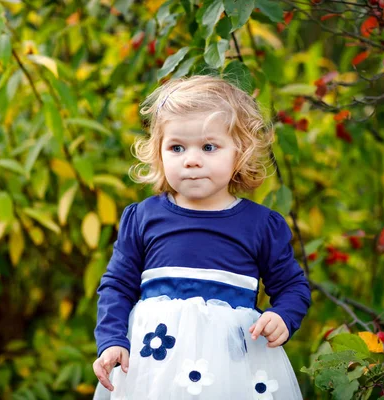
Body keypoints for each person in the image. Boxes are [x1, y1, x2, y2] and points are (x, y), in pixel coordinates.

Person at [92, 74, 312, 399]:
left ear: (240, 153)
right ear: (159, 152)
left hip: (231, 370)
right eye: (177, 147)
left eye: (209, 147)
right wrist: (111, 341)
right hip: (154, 366)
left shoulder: (260, 224)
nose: (192, 159)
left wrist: (282, 316)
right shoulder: (142, 218)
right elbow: (117, 286)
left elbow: (292, 286)